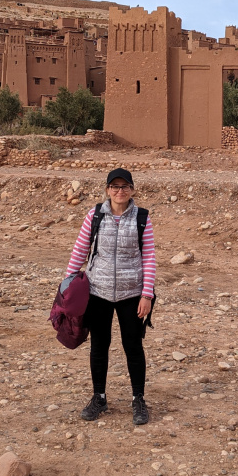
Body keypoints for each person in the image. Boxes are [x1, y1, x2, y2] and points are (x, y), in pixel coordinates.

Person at [64, 168, 156, 425]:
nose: (119, 191)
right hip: (98, 291)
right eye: (114, 186)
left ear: (132, 190)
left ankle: (138, 399)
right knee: (99, 345)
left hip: (131, 293)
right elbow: (80, 250)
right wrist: (68, 284)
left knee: (133, 346)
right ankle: (99, 397)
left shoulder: (142, 218)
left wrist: (147, 294)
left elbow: (149, 257)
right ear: (107, 190)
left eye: (125, 186)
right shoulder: (94, 215)